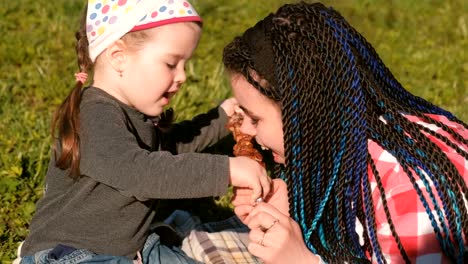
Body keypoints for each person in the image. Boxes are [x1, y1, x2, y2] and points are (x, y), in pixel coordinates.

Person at [18, 0, 271, 263]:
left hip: (133, 249)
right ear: (119, 58)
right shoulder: (93, 115)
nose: (183, 76)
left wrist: (222, 118)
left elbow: (170, 149)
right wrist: (226, 170)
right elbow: (140, 172)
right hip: (70, 254)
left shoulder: (133, 114)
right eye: (171, 64)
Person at [223, 2, 468, 263]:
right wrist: (293, 209)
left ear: (306, 113)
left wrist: (302, 260)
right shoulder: (355, 144)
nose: (245, 129)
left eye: (255, 118)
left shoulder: (408, 189)